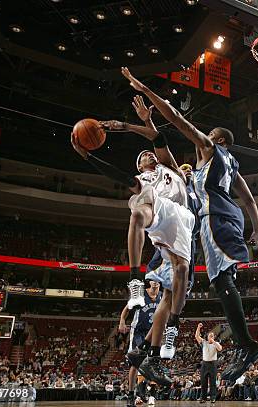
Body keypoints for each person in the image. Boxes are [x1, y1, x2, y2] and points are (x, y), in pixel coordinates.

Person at [120, 66, 258, 383]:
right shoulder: (226, 170)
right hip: (199, 229)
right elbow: (250, 200)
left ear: (216, 139)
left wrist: (146, 90)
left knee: (208, 285)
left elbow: (176, 120)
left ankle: (243, 345)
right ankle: (148, 352)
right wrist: (256, 228)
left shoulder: (209, 151)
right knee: (181, 293)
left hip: (206, 225)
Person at [70, 96, 194, 386]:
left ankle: (161, 344)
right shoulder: (143, 179)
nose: (145, 157)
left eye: (147, 155)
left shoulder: (171, 168)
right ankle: (136, 281)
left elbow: (158, 137)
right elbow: (117, 175)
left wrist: (128, 124)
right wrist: (88, 156)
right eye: (140, 159)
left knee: (182, 272)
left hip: (183, 219)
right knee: (138, 208)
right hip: (159, 212)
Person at [119, 278, 162, 407]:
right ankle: (132, 394)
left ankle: (149, 392)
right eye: (153, 280)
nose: (155, 282)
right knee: (135, 364)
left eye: (157, 280)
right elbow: (127, 309)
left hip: (153, 333)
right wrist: (122, 320)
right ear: (149, 281)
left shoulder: (163, 296)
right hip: (138, 331)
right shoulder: (141, 294)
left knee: (153, 363)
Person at [196, 322, 222, 404]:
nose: (210, 337)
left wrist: (213, 341)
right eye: (209, 336)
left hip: (213, 364)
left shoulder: (216, 343)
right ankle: (203, 398)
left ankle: (212, 398)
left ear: (214, 337)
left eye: (212, 336)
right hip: (204, 364)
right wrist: (198, 327)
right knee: (203, 382)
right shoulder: (204, 342)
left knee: (212, 382)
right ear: (207, 336)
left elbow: (220, 349)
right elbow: (197, 336)